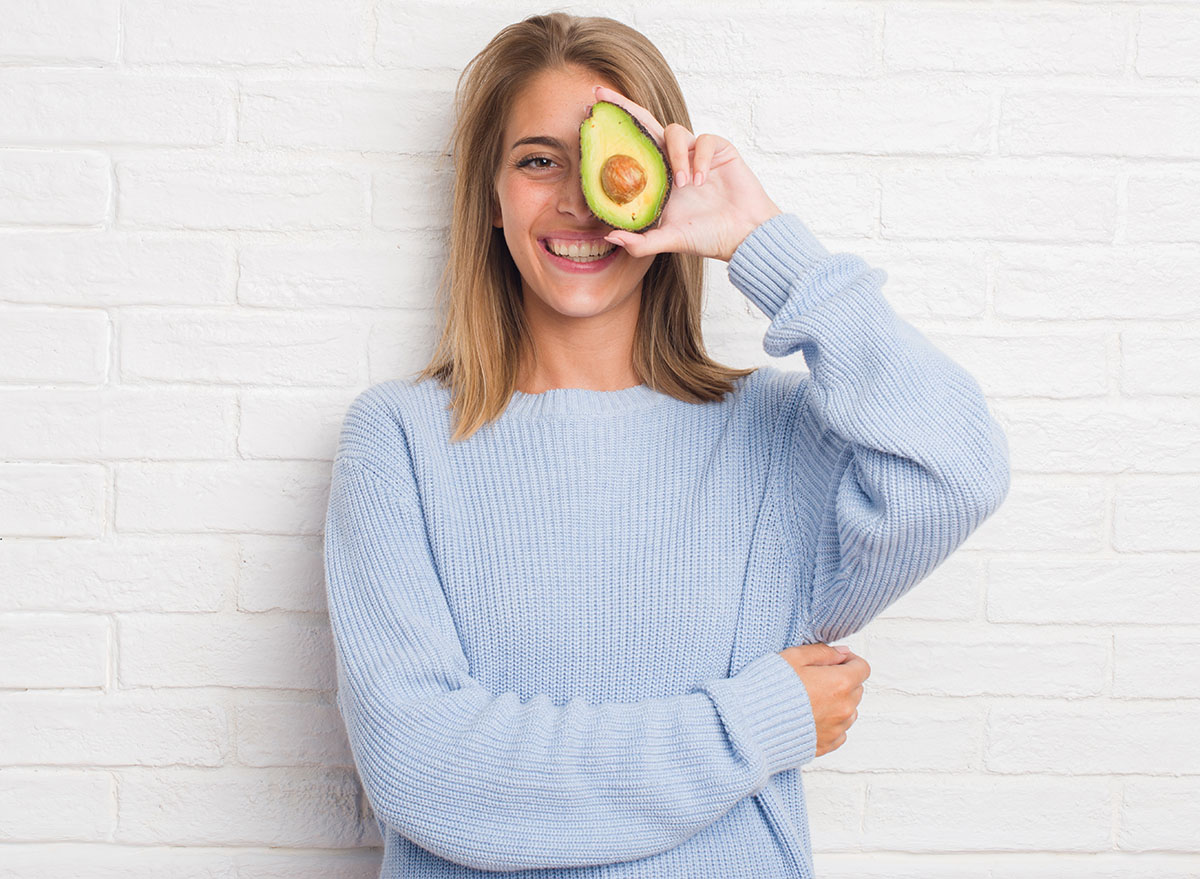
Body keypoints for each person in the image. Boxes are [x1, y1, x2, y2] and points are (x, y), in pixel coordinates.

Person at [322, 11, 1010, 879]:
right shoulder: (401, 440)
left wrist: (764, 242)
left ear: (665, 180)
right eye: (538, 161)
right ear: (490, 201)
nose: (578, 197)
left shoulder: (780, 438)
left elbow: (959, 467)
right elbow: (425, 768)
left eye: (611, 161)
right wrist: (753, 723)